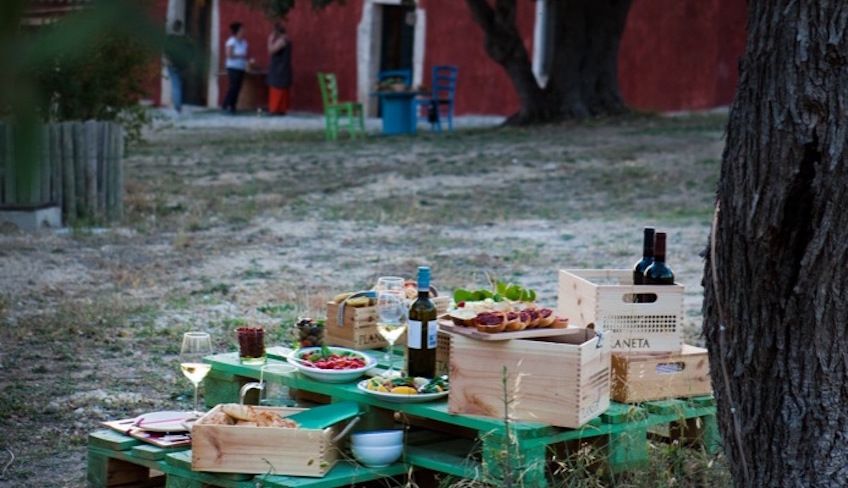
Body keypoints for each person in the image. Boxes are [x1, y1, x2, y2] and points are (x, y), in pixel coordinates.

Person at [165, 20, 193, 115]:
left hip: (172, 64)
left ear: (174, 27)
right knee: (178, 85)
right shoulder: (185, 39)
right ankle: (178, 106)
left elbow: (166, 52)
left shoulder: (170, 38)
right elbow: (191, 51)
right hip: (182, 65)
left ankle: (177, 107)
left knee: (175, 85)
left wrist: (168, 61)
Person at [222, 22, 248, 114]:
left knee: (238, 87)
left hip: (241, 67)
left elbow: (245, 55)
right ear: (237, 31)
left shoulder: (244, 42)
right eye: (241, 30)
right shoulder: (231, 41)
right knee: (233, 86)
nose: (243, 31)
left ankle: (231, 105)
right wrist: (240, 55)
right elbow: (229, 54)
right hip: (232, 67)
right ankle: (227, 105)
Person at [267, 22, 292, 115]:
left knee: (277, 87)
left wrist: (269, 41)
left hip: (279, 69)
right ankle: (281, 109)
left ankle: (275, 108)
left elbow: (271, 51)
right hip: (283, 68)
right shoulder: (287, 39)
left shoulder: (282, 40)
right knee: (282, 88)